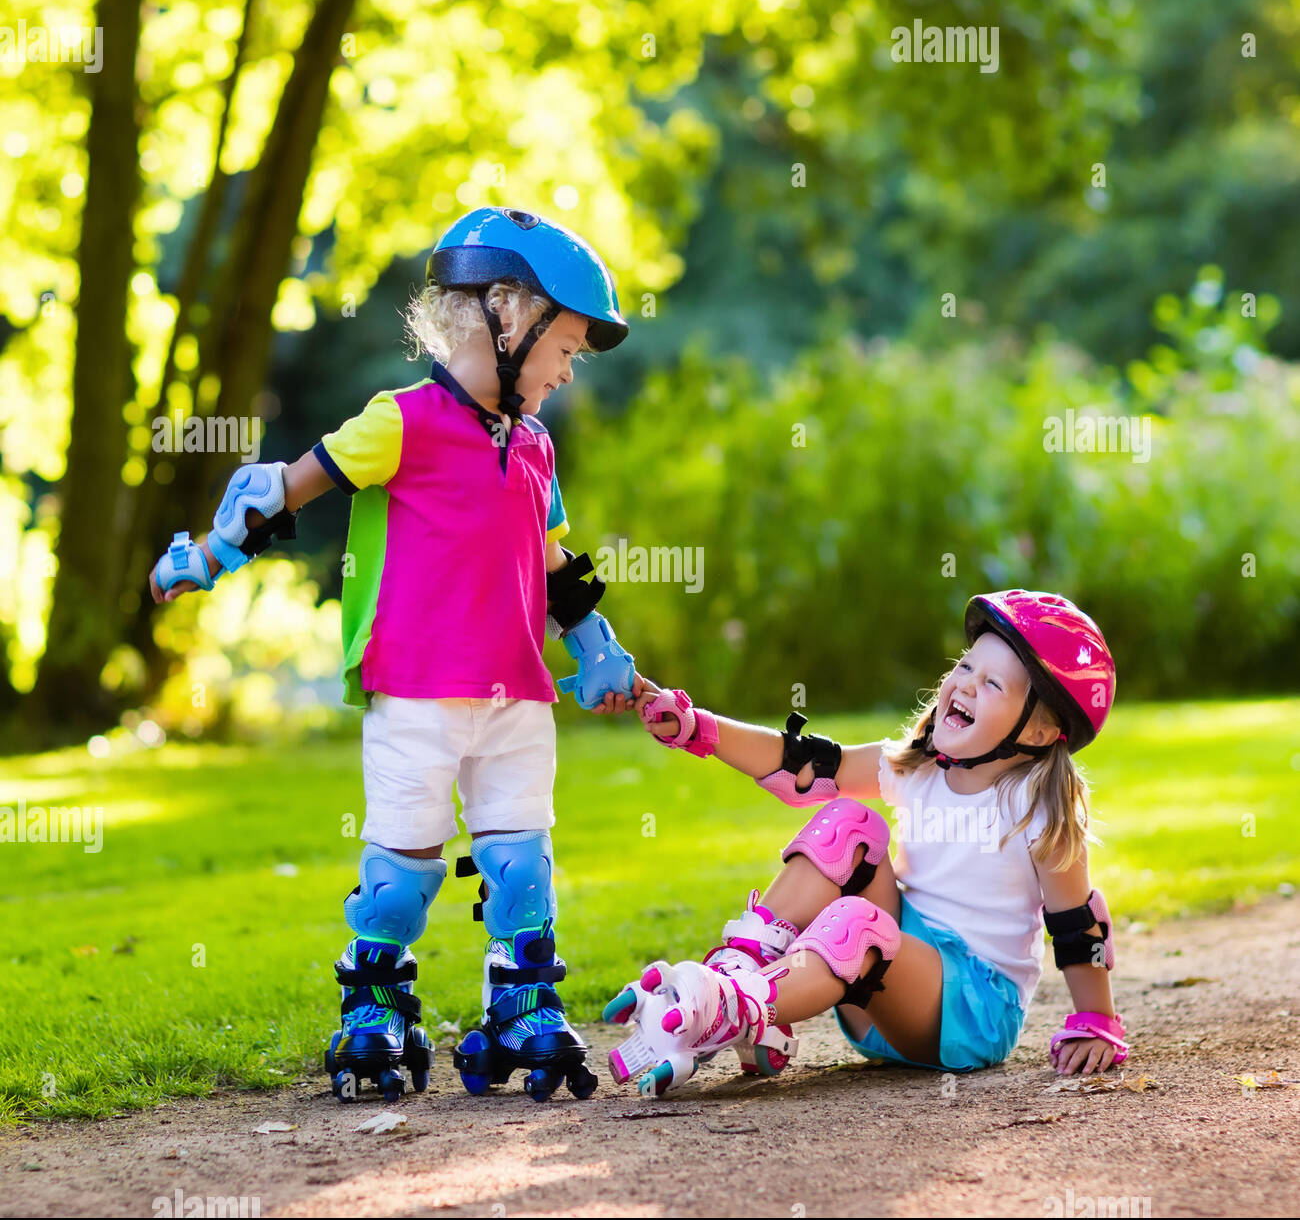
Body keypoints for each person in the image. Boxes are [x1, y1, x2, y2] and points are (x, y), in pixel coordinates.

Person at [151, 207, 640, 1103]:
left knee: (522, 866)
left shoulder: (535, 444)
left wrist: (593, 642)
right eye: (564, 347)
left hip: (517, 697)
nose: (570, 371)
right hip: (415, 689)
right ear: (505, 314)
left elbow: (550, 554)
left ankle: (520, 1002)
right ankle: (375, 1004)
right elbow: (285, 489)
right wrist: (211, 553)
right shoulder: (400, 423)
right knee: (399, 878)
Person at [605, 590, 1128, 1097]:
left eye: (993, 683)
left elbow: (1076, 924)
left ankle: (735, 1007)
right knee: (846, 822)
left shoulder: (1039, 809)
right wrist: (699, 728)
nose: (965, 685)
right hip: (876, 978)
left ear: (1037, 732)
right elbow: (801, 767)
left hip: (969, 1010)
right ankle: (740, 972)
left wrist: (1096, 1020)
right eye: (966, 667)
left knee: (859, 922)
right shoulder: (919, 768)